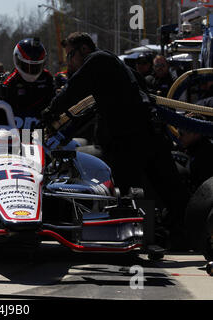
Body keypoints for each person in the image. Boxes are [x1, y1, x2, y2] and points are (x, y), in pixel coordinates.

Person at [41, 32, 190, 248]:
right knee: (166, 187)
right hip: (149, 135)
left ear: (84, 49)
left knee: (131, 193)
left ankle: (144, 239)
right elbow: (91, 108)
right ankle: (180, 235)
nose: (70, 61)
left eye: (70, 55)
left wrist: (50, 110)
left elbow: (74, 88)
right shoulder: (118, 66)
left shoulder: (97, 60)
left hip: (129, 139)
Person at [3, 38, 55, 117]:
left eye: (36, 66)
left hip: (42, 124)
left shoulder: (47, 78)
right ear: (17, 60)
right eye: (27, 66)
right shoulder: (11, 81)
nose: (32, 70)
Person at [177, 114, 213, 190]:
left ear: (196, 134)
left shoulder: (205, 157)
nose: (179, 138)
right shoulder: (193, 148)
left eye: (181, 134)